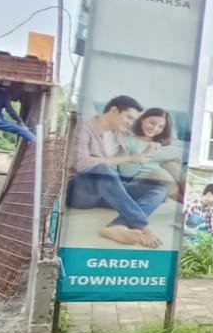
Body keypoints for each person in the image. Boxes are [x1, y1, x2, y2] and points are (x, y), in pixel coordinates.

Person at [66, 94, 169, 248]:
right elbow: (81, 163)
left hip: (109, 191)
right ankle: (143, 225)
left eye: (133, 120)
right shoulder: (85, 127)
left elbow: (134, 161)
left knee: (158, 189)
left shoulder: (120, 133)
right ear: (114, 111)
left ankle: (115, 226)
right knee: (103, 169)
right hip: (82, 191)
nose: (131, 123)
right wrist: (127, 159)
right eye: (129, 117)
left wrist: (150, 149)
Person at [118, 107, 184, 199]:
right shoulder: (128, 142)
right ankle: (186, 205)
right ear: (142, 120)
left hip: (160, 179)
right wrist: (147, 151)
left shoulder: (161, 143)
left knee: (174, 166)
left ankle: (193, 202)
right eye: (152, 123)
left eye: (160, 127)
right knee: (159, 173)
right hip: (137, 181)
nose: (155, 128)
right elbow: (126, 173)